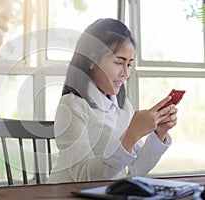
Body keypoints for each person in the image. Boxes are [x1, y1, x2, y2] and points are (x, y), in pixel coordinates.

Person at [47, 18, 178, 183]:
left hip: (107, 193)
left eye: (129, 64)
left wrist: (159, 133)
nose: (126, 73)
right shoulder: (72, 105)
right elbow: (84, 177)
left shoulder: (123, 106)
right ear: (92, 60)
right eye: (118, 62)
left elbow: (136, 168)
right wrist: (131, 135)